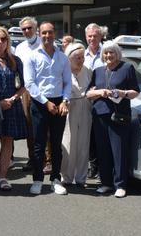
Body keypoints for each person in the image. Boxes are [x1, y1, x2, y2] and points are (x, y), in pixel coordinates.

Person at [86, 41, 140, 198]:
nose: (108, 55)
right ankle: (106, 183)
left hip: (119, 115)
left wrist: (122, 93)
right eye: (106, 53)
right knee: (102, 150)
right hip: (100, 115)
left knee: (119, 150)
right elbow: (88, 94)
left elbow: (136, 92)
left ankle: (120, 184)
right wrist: (100, 92)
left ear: (118, 54)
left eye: (112, 53)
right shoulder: (97, 71)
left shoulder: (127, 68)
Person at [24, 21, 72, 195]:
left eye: (50, 33)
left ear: (54, 34)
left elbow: (67, 82)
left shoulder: (63, 57)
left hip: (59, 103)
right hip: (40, 103)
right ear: (39, 33)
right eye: (43, 33)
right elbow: (29, 83)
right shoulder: (32, 56)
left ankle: (55, 179)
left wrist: (65, 101)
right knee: (38, 144)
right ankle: (37, 179)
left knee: (56, 145)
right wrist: (46, 102)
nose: (47, 36)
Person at [0, 27, 28, 191]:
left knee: (7, 141)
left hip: (12, 106)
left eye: (3, 39)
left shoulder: (16, 61)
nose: (0, 42)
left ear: (8, 41)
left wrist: (13, 99)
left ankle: (2, 177)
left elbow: (23, 86)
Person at [61, 43, 92, 187]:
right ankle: (66, 176)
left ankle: (81, 178)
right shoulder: (64, 71)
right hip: (70, 107)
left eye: (82, 57)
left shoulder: (88, 71)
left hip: (85, 107)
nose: (81, 60)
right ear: (69, 59)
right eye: (77, 58)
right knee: (68, 142)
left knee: (83, 143)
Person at [14, 16, 40, 172]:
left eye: (29, 28)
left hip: (43, 90)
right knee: (29, 126)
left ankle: (47, 159)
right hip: (26, 91)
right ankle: (33, 158)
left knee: (44, 127)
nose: (27, 31)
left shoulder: (44, 44)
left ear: (35, 28)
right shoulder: (20, 48)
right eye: (24, 29)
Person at [84, 23, 105, 179]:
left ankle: (103, 167)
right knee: (88, 135)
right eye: (90, 36)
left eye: (95, 36)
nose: (92, 39)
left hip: (102, 99)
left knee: (101, 135)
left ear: (101, 36)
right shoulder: (81, 54)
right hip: (84, 100)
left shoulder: (108, 52)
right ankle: (93, 165)